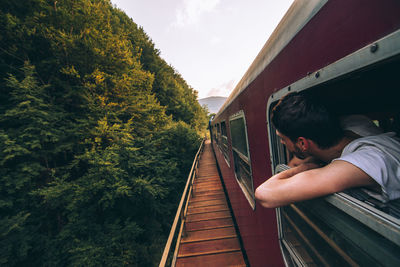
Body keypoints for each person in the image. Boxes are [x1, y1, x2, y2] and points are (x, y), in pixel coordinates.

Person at [255, 92, 400, 208]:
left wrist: (304, 168)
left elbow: (265, 194)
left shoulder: (364, 162)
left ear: (302, 143)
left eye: (282, 138)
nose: (281, 142)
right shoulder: (357, 123)